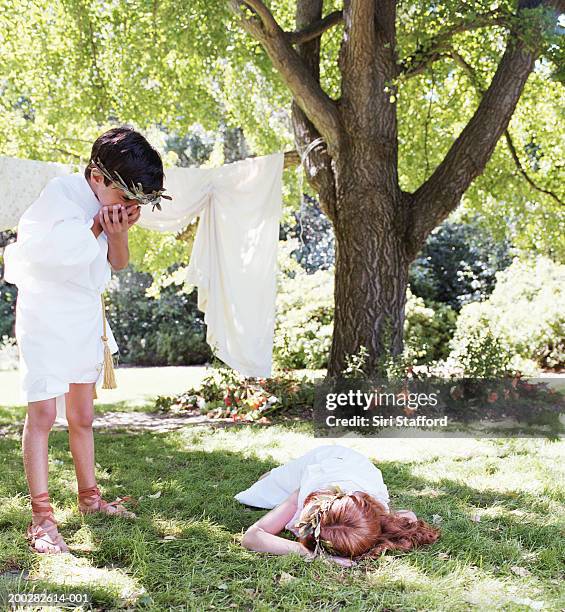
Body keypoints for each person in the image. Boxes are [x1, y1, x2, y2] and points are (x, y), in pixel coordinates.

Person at [3, 126, 171, 554]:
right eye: (126, 195)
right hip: (45, 316)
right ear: (98, 176)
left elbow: (117, 263)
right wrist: (97, 225)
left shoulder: (106, 206)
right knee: (42, 414)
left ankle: (90, 500)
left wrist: (116, 234)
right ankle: (42, 518)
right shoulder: (60, 194)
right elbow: (43, 255)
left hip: (83, 319)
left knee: (81, 416)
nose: (129, 206)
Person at [235, 445, 440, 566]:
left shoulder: (374, 515)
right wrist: (311, 553)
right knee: (263, 488)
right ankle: (276, 473)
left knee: (268, 494)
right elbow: (252, 536)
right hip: (322, 461)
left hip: (354, 465)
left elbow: (409, 515)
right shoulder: (309, 493)